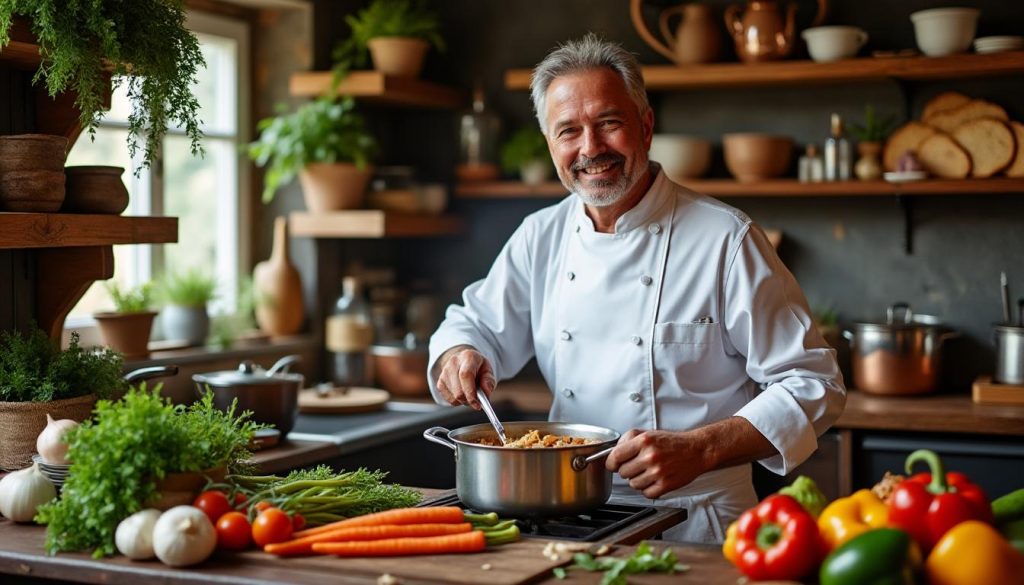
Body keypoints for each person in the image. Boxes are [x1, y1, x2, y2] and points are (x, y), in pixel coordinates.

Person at [427, 33, 845, 543]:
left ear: (645, 127)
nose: (591, 149)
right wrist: (460, 353)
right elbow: (474, 324)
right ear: (550, 146)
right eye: (568, 132)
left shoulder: (725, 238)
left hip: (699, 521)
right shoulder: (541, 236)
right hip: (567, 517)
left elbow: (815, 383)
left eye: (609, 123)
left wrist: (702, 448)